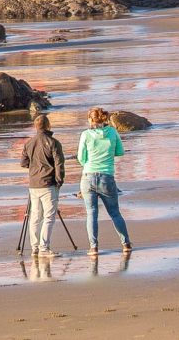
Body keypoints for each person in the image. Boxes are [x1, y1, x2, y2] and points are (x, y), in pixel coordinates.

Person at [78, 107, 132, 252]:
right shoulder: (113, 132)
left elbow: (81, 158)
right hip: (107, 176)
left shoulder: (85, 135)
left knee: (91, 213)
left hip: (88, 176)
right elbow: (120, 152)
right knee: (114, 213)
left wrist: (89, 164)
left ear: (91, 119)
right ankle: (126, 244)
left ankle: (93, 247)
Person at [20, 113, 65, 258]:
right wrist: (59, 180)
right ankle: (44, 247)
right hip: (48, 183)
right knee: (49, 217)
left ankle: (34, 248)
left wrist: (34, 167)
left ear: (35, 126)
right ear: (48, 125)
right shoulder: (53, 142)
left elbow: (23, 163)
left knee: (35, 216)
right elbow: (59, 163)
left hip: (33, 184)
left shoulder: (29, 143)